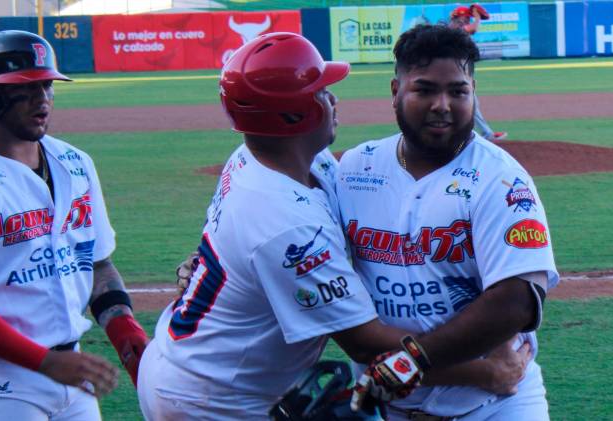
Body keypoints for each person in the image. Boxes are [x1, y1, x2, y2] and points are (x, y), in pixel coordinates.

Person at [139, 32, 532, 421]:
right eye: (322, 91)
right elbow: (363, 342)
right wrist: (482, 369)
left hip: (191, 359)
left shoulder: (278, 159)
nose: (333, 99)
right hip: (211, 399)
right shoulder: (286, 223)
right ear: (297, 114)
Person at [338, 24, 558, 420]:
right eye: (425, 89)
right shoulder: (355, 168)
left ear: (474, 93)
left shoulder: (502, 179)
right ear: (395, 92)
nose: (443, 104)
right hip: (388, 407)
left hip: (496, 408)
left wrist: (412, 361)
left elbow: (517, 301)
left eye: (458, 91)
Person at [0, 30, 148, 420]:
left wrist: (129, 338)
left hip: (72, 376)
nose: (42, 100)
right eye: (25, 90)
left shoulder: (75, 164)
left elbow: (96, 263)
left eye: (46, 86)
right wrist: (42, 360)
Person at [449, 4, 508, 142]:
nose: (468, 20)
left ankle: (481, 133)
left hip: (458, 72)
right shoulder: (454, 29)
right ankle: (482, 134)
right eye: (466, 17)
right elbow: (473, 28)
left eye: (469, 17)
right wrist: (477, 17)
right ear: (459, 17)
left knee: (470, 103)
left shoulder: (453, 28)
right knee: (468, 103)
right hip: (455, 74)